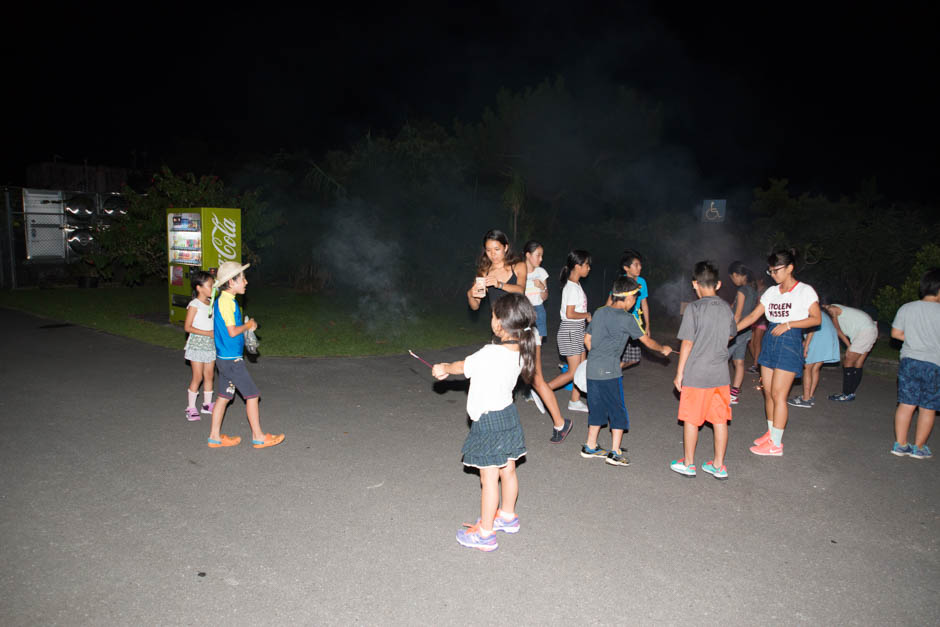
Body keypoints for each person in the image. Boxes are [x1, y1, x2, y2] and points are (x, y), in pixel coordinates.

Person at [432, 293, 536, 551]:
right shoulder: (523, 350)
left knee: (488, 479)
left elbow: (462, 366)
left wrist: (443, 366)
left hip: (489, 421)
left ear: (500, 323)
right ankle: (508, 516)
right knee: (508, 470)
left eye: (493, 315)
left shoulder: (490, 353)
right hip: (508, 416)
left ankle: (486, 534)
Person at [468, 231, 572, 442]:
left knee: (536, 379)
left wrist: (497, 284)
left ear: (506, 247)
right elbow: (475, 304)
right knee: (494, 380)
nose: (492, 254)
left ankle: (561, 423)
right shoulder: (484, 269)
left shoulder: (518, 266)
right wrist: (472, 294)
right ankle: (492, 428)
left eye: (496, 249)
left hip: (522, 332)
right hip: (499, 334)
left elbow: (520, 290)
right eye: (488, 250)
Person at [736, 249, 821, 456]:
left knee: (779, 395)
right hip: (771, 341)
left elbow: (816, 318)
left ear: (790, 268)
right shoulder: (771, 292)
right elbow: (754, 316)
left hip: (789, 342)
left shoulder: (805, 291)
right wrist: (731, 332)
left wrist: (790, 324)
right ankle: (771, 433)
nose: (773, 275)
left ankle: (777, 445)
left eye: (776, 270)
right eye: (770, 271)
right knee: (768, 393)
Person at [582, 276, 672, 466]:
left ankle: (590, 446)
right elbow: (647, 342)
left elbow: (587, 340)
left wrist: (599, 356)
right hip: (610, 372)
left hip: (592, 370)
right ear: (627, 297)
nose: (635, 301)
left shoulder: (599, 312)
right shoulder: (627, 318)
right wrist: (662, 348)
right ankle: (615, 452)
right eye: (635, 297)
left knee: (596, 407)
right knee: (617, 410)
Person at [207, 261, 285, 449]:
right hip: (232, 360)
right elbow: (232, 331)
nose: (246, 282)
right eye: (242, 278)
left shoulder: (225, 300)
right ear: (231, 282)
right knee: (252, 396)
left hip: (224, 359)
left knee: (224, 397)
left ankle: (214, 437)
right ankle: (258, 437)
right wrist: (248, 326)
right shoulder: (226, 302)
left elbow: (227, 330)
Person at [670, 261, 737, 478]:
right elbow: (731, 334)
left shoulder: (694, 308)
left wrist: (680, 373)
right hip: (720, 375)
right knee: (719, 420)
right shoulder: (727, 308)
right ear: (717, 284)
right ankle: (718, 465)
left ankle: (689, 464)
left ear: (695, 284)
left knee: (691, 419)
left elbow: (687, 342)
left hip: (697, 374)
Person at [889, 268, 940, 460]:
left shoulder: (907, 307)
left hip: (909, 361)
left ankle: (900, 444)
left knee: (906, 403)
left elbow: (896, 334)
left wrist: (915, 340)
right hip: (934, 364)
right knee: (928, 407)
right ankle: (919, 447)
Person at [545, 250, 592, 413]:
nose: (588, 268)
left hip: (578, 330)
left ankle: (574, 401)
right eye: (586, 265)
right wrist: (586, 315)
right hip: (570, 330)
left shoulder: (576, 284)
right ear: (578, 266)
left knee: (581, 370)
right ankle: (543, 391)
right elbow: (570, 313)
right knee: (573, 372)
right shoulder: (571, 287)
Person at [822, 303, 879, 401]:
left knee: (848, 361)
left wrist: (849, 346)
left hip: (864, 332)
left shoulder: (831, 310)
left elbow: (838, 330)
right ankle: (850, 393)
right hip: (871, 329)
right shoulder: (832, 307)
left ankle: (846, 394)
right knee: (858, 363)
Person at [788, 301, 840, 408]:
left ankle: (805, 399)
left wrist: (806, 346)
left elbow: (812, 329)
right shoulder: (821, 312)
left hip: (818, 338)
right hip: (828, 339)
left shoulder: (809, 311)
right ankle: (809, 396)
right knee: (815, 368)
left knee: (807, 368)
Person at [182, 270, 215, 421]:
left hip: (210, 344)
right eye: (209, 285)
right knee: (198, 377)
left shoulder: (211, 303)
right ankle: (191, 407)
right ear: (199, 287)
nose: (213, 288)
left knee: (209, 375)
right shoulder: (194, 304)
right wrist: (207, 333)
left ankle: (207, 405)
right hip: (197, 344)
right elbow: (187, 327)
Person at [727, 261, 759, 405]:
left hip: (737, 330)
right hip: (746, 331)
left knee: (721, 359)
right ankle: (734, 393)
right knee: (739, 361)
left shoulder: (741, 291)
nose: (733, 281)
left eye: (732, 277)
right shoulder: (752, 291)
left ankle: (719, 389)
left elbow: (738, 315)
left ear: (736, 275)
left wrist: (730, 331)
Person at [618, 250, 649, 369]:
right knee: (616, 353)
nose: (640, 267)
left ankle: (614, 369)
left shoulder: (642, 282)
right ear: (626, 268)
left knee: (635, 358)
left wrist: (647, 325)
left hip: (635, 322)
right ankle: (611, 372)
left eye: (640, 265)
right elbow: (611, 302)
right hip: (621, 323)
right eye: (636, 265)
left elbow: (644, 304)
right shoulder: (621, 283)